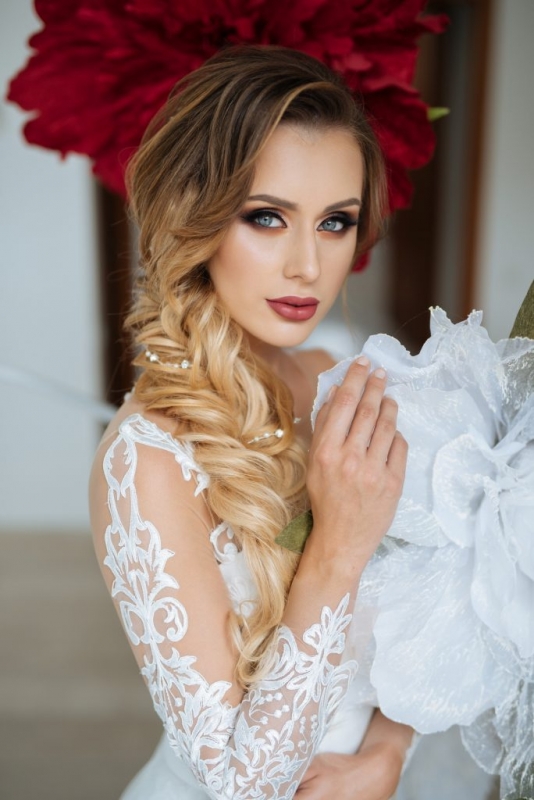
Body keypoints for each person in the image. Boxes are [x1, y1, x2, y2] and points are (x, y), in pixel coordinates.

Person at [89, 45, 415, 800]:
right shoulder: (148, 458)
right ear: (192, 217)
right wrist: (337, 547)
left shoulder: (340, 376)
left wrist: (388, 753)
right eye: (266, 217)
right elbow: (242, 785)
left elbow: (436, 609)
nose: (308, 265)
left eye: (335, 222)